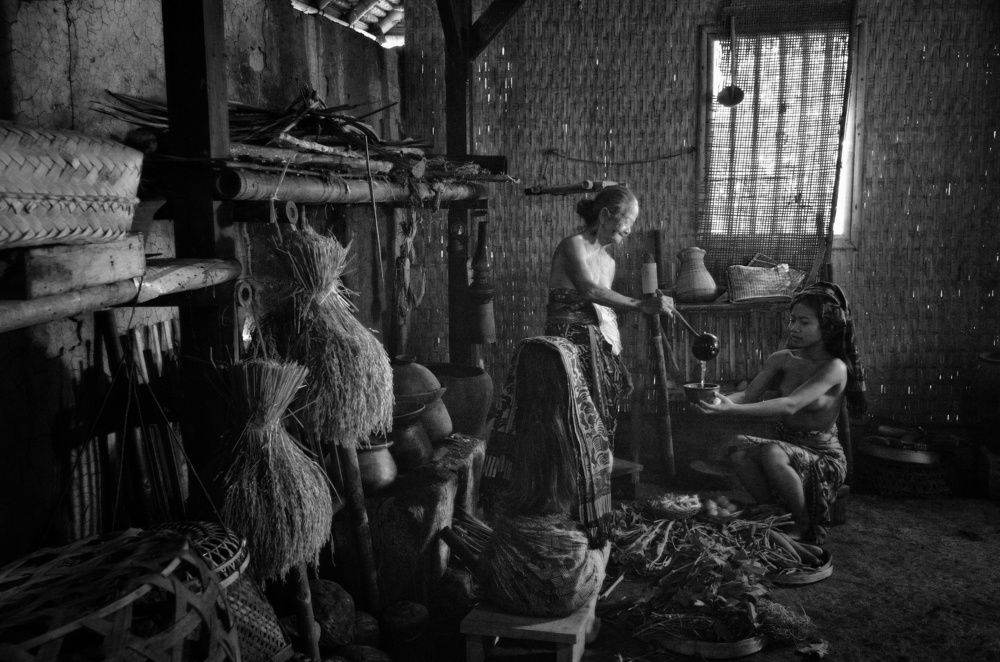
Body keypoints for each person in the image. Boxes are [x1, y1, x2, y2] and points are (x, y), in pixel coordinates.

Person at [695, 281, 866, 544]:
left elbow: (791, 404)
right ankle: (775, 514)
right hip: (785, 447)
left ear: (827, 326)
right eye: (792, 320)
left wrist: (735, 409)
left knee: (773, 452)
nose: (794, 327)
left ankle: (802, 523)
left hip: (823, 458)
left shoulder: (835, 368)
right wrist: (717, 403)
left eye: (804, 322)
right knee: (738, 449)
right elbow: (749, 395)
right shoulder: (782, 358)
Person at [478, 336, 611, 616]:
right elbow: (596, 525)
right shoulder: (590, 443)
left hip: (503, 585)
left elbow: (489, 510)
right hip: (565, 592)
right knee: (605, 545)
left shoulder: (498, 432)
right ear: (572, 378)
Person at [545, 184, 675, 442]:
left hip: (598, 351)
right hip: (565, 346)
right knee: (568, 422)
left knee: (600, 424)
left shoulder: (610, 263)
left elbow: (605, 318)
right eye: (628, 220)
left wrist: (616, 361)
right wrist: (640, 305)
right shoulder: (574, 246)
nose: (630, 229)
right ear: (605, 216)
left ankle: (597, 476)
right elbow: (589, 291)